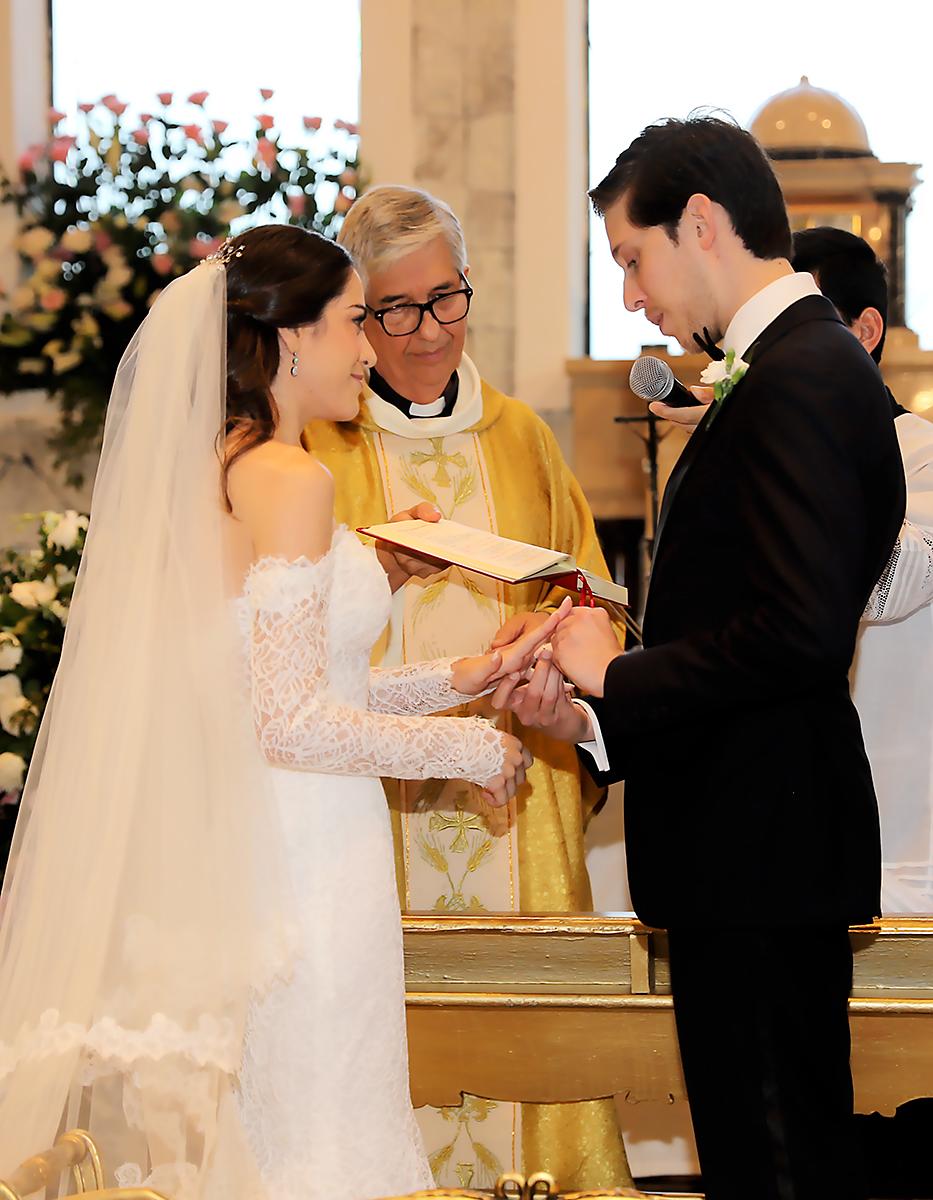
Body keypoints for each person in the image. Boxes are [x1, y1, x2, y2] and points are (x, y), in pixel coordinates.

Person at [0, 224, 566, 1200]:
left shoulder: (217, 464)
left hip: (254, 841)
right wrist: (469, 748)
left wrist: (460, 675)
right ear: (290, 339)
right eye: (354, 323)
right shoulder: (294, 480)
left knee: (277, 1123)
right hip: (308, 858)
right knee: (326, 1132)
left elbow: (271, 689)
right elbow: (294, 723)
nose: (370, 349)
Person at [495, 117, 906, 1199]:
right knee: (761, 1156)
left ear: (705, 224)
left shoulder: (801, 376)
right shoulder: (773, 372)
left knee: (777, 1163)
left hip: (762, 853)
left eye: (634, 257)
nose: (631, 295)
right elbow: (746, 623)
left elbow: (798, 636)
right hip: (748, 843)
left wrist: (615, 671)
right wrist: (589, 717)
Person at [305, 185, 631, 1190]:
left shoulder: (524, 437)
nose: (428, 331)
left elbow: (594, 595)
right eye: (396, 309)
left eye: (446, 299)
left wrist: (562, 647)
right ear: (357, 316)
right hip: (370, 806)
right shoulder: (316, 445)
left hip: (515, 790)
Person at [655, 225, 933, 918]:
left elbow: (883, 587)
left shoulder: (922, 453)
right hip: (778, 807)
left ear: (864, 330)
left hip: (906, 833)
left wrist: (761, 452)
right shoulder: (750, 454)